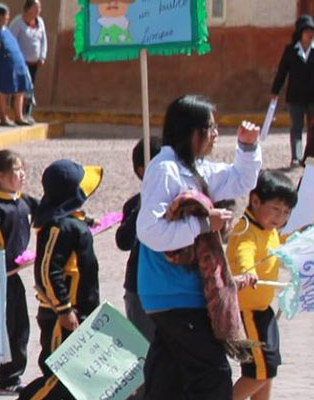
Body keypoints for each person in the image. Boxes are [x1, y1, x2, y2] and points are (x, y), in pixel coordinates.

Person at [137, 95, 263, 399]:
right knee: (212, 376)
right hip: (173, 291)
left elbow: (239, 181)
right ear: (191, 131)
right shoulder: (165, 169)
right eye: (210, 127)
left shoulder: (194, 168)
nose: (216, 134)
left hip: (177, 294)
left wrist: (247, 147)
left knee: (168, 377)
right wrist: (206, 225)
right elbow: (149, 231)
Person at [18, 159, 104, 400]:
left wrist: (86, 222)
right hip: (62, 317)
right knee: (59, 377)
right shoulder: (59, 227)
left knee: (74, 376)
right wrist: (64, 309)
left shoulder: (70, 223)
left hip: (79, 313)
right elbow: (47, 271)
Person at [229, 174, 294, 400]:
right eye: (276, 209)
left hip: (262, 311)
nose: (281, 217)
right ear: (255, 201)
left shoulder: (269, 230)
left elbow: (280, 243)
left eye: (286, 212)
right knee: (259, 372)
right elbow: (243, 251)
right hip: (247, 312)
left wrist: (301, 237)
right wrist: (248, 270)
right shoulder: (245, 229)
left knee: (267, 370)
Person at [0, 150, 37, 393]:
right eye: (16, 170)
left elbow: (48, 213)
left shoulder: (23, 201)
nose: (22, 174)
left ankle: (10, 377)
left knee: (18, 326)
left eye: (23, 169)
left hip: (13, 278)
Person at [269, 15, 314, 165]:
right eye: (307, 32)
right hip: (295, 97)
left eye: (313, 32)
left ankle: (311, 156)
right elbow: (282, 71)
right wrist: (275, 90)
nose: (311, 35)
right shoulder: (291, 50)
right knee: (296, 128)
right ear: (300, 33)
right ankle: (296, 157)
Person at [117, 139, 163, 344]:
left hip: (172, 289)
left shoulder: (180, 199)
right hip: (140, 289)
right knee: (146, 352)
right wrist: (143, 207)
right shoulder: (135, 204)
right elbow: (123, 241)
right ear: (143, 170)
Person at [0, 3, 34, 126]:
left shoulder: (5, 30)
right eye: (6, 16)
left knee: (20, 90)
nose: (8, 18)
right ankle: (3, 118)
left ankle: (19, 117)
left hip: (17, 67)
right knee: (3, 92)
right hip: (3, 68)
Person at [9, 0, 48, 121]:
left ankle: (26, 114)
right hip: (21, 64)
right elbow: (11, 41)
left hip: (34, 64)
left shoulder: (40, 22)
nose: (38, 11)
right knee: (20, 89)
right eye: (36, 8)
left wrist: (42, 56)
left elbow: (44, 40)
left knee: (29, 89)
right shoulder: (18, 22)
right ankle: (17, 114)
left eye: (39, 8)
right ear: (28, 9)